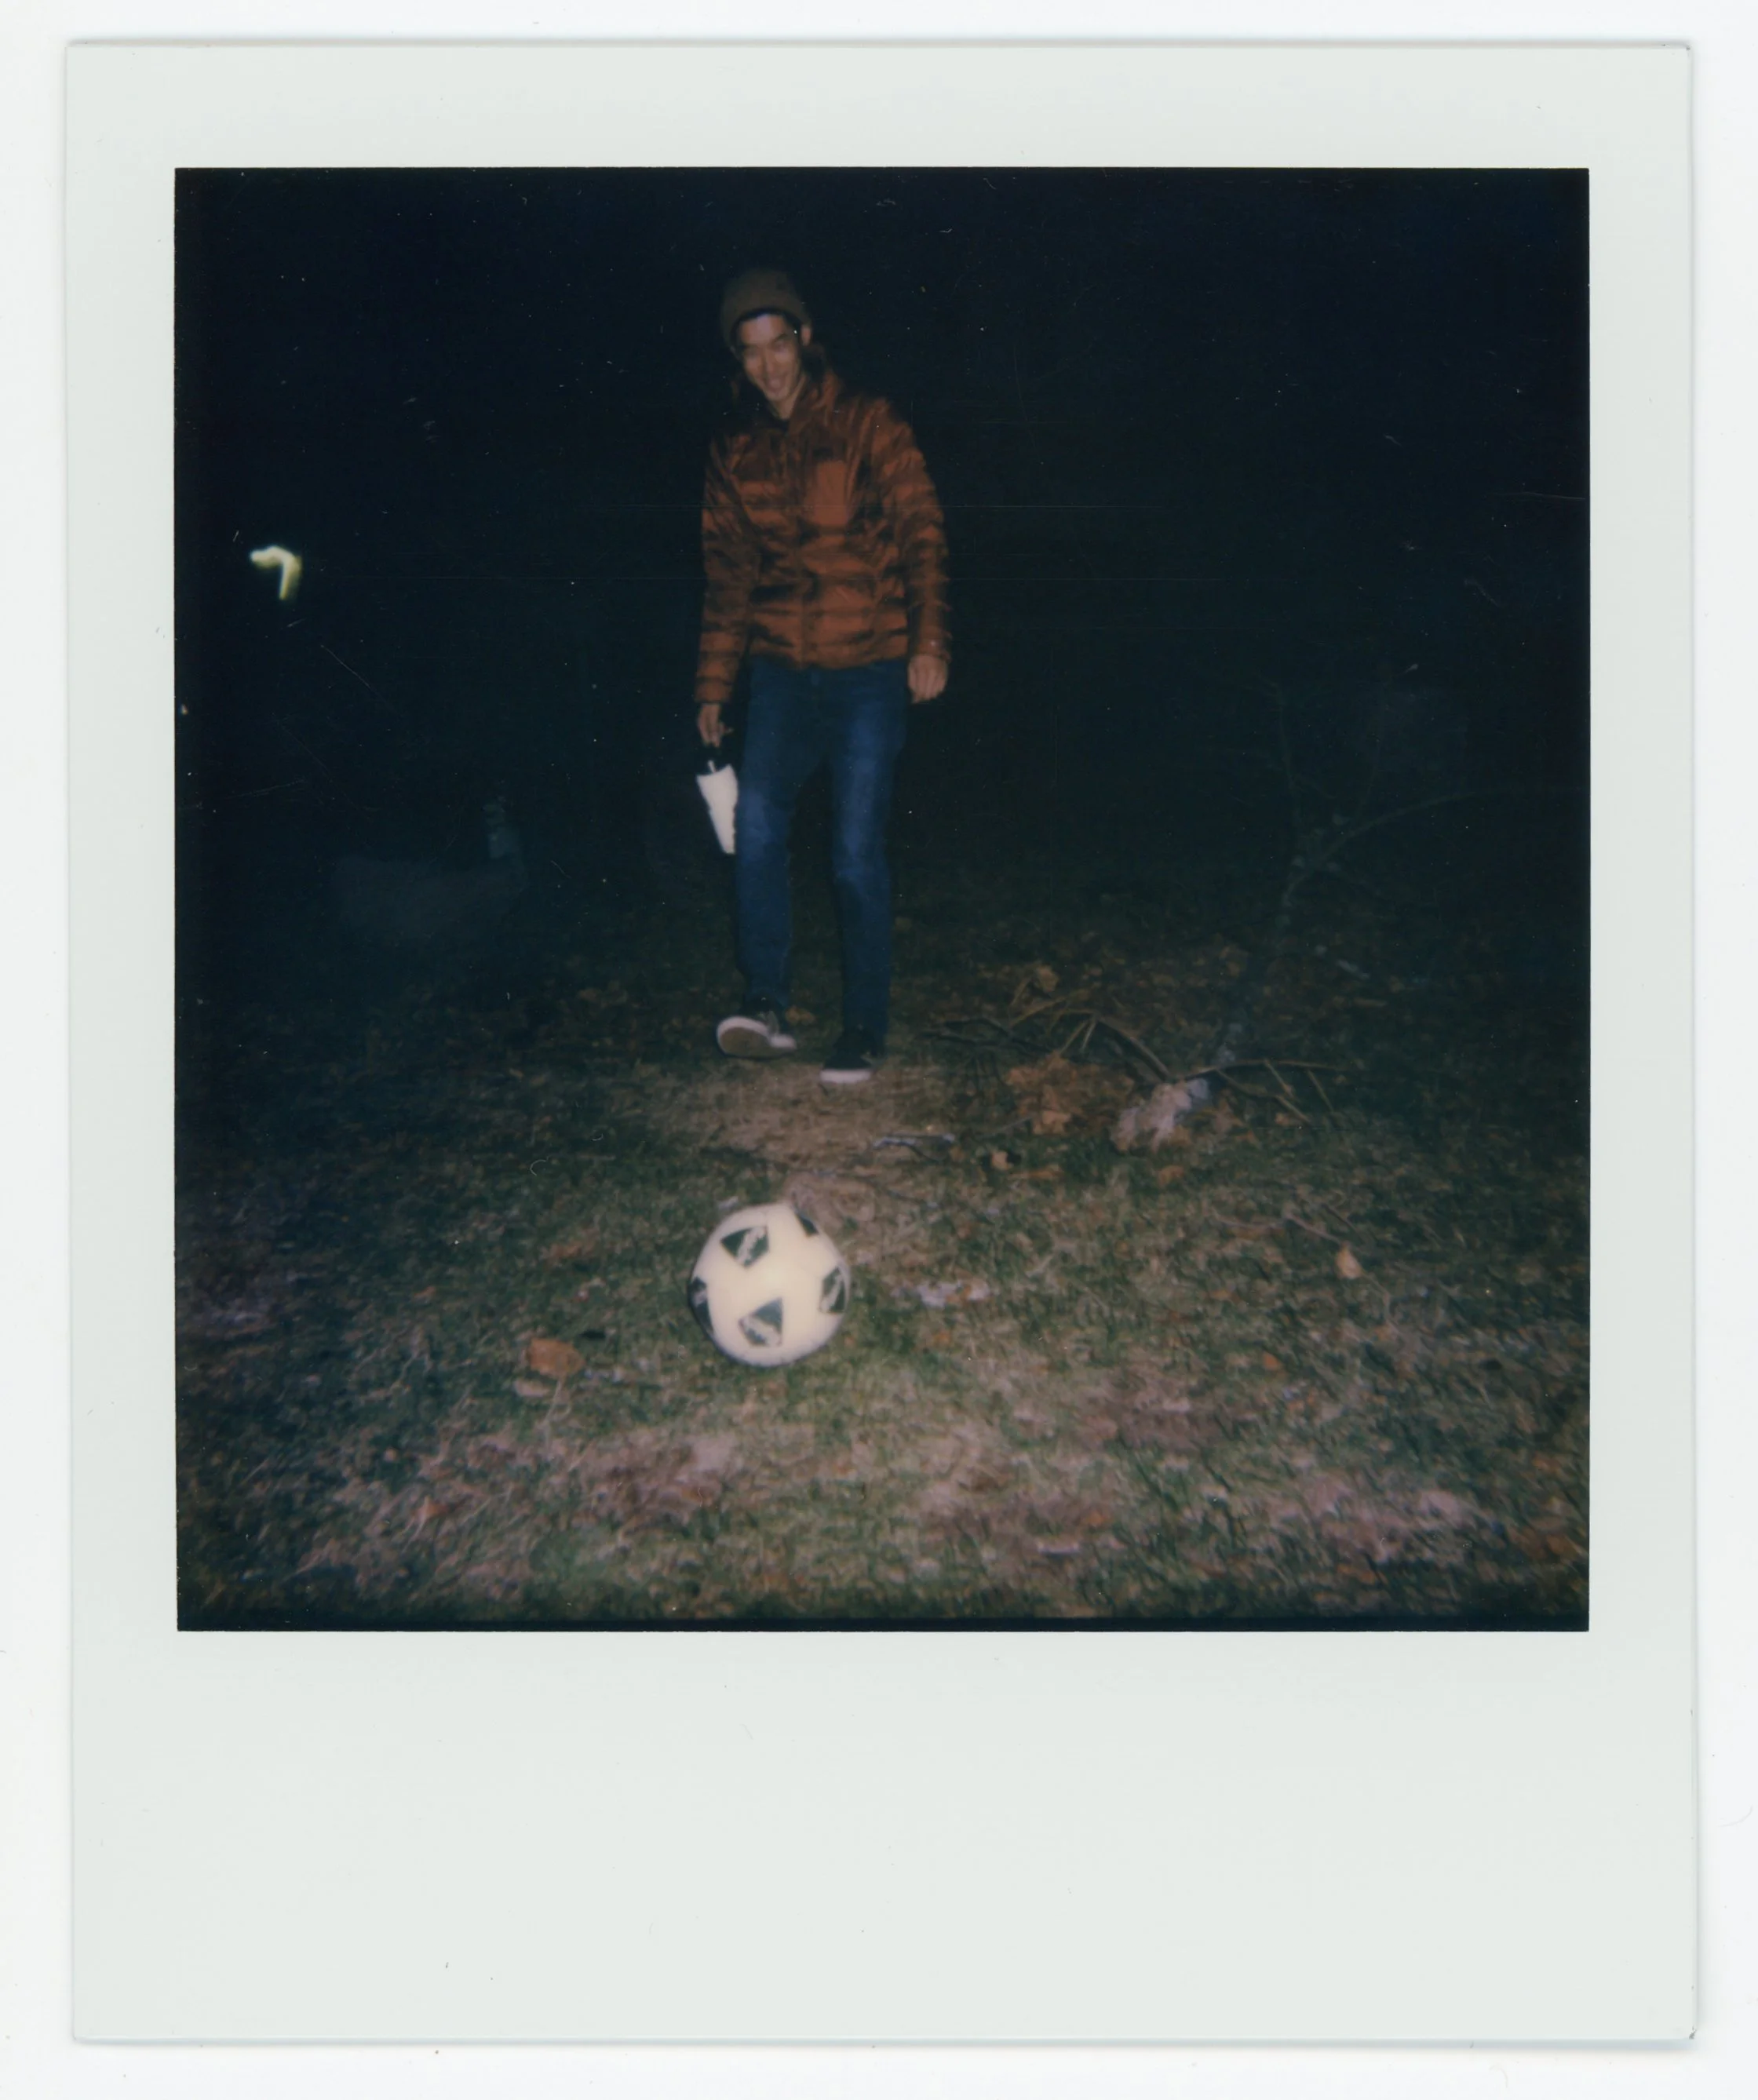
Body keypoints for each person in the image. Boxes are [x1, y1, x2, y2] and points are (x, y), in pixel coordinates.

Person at [695, 267, 950, 1087]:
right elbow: (728, 575)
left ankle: (863, 1026)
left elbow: (921, 530)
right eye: (751, 353)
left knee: (850, 852)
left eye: (780, 344)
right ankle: (765, 1004)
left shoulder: (868, 422)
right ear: (737, 361)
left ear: (803, 339)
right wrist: (711, 685)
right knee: (757, 830)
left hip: (869, 668)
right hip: (779, 676)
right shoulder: (734, 453)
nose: (769, 366)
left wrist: (929, 640)